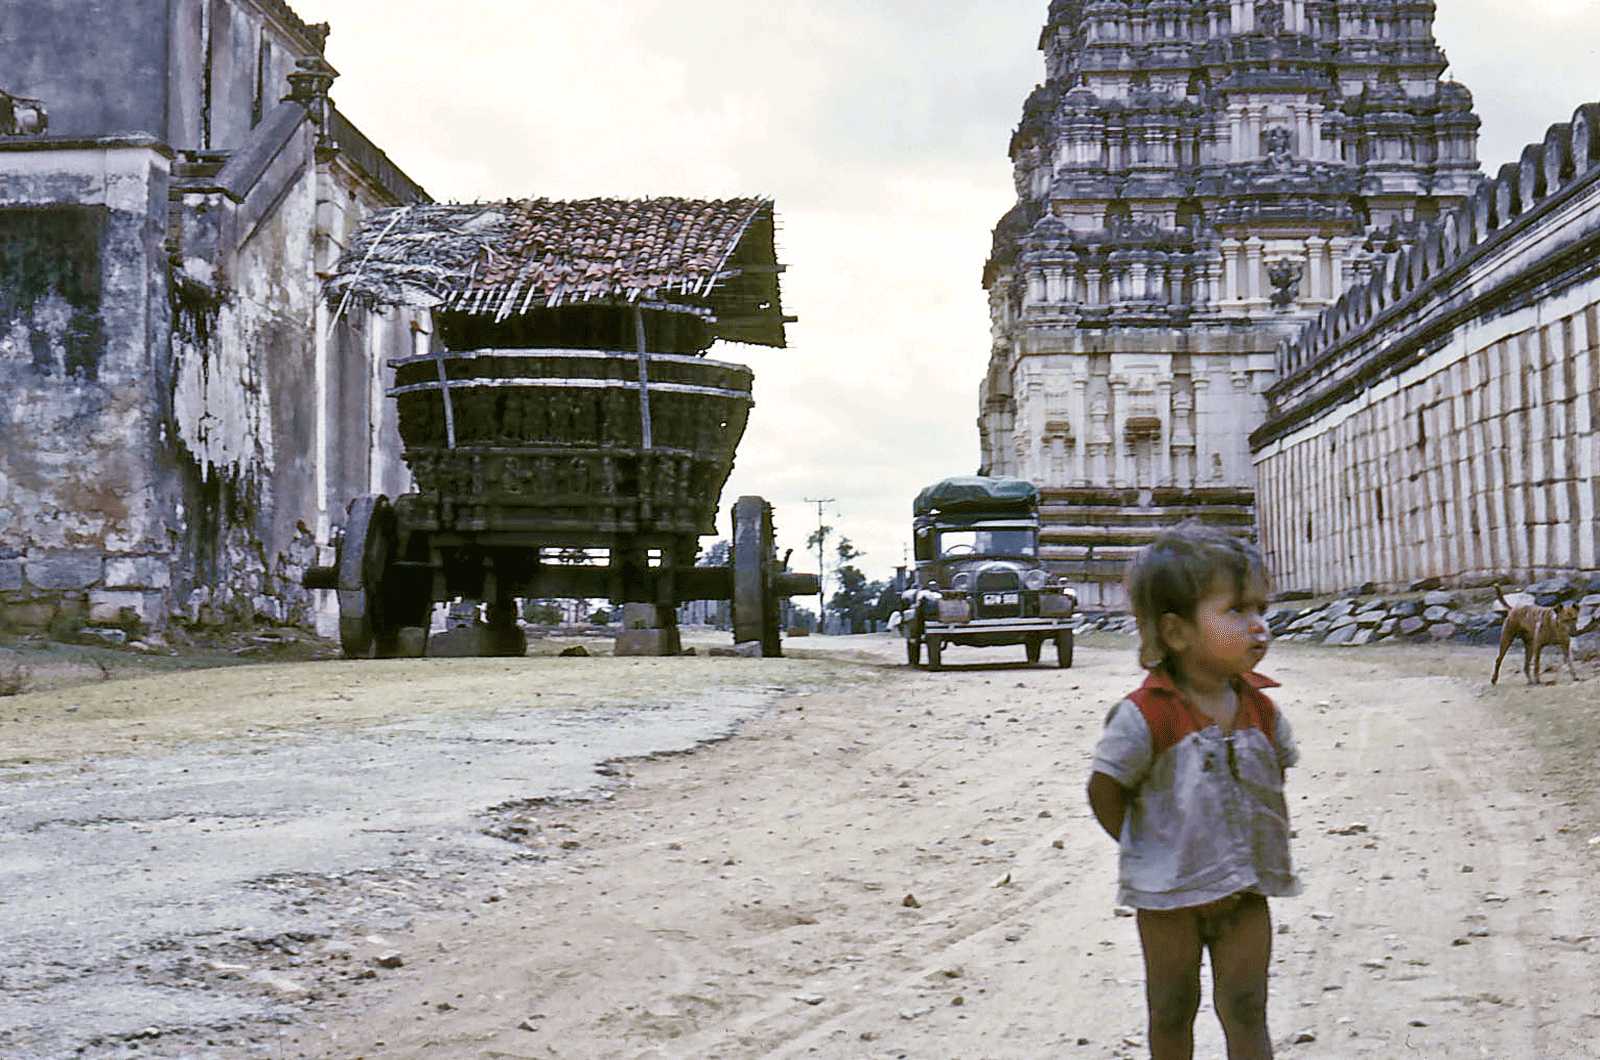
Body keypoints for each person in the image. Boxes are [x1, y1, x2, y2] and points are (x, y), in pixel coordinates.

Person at [1087, 524, 1299, 1060]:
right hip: (1169, 900)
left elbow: (1271, 779)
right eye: (1236, 611)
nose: (1259, 626)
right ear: (1177, 633)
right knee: (1172, 1007)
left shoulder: (1262, 712)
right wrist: (1153, 850)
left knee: (1248, 1005)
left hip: (1246, 891)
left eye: (1261, 609)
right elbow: (1105, 790)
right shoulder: (1147, 717)